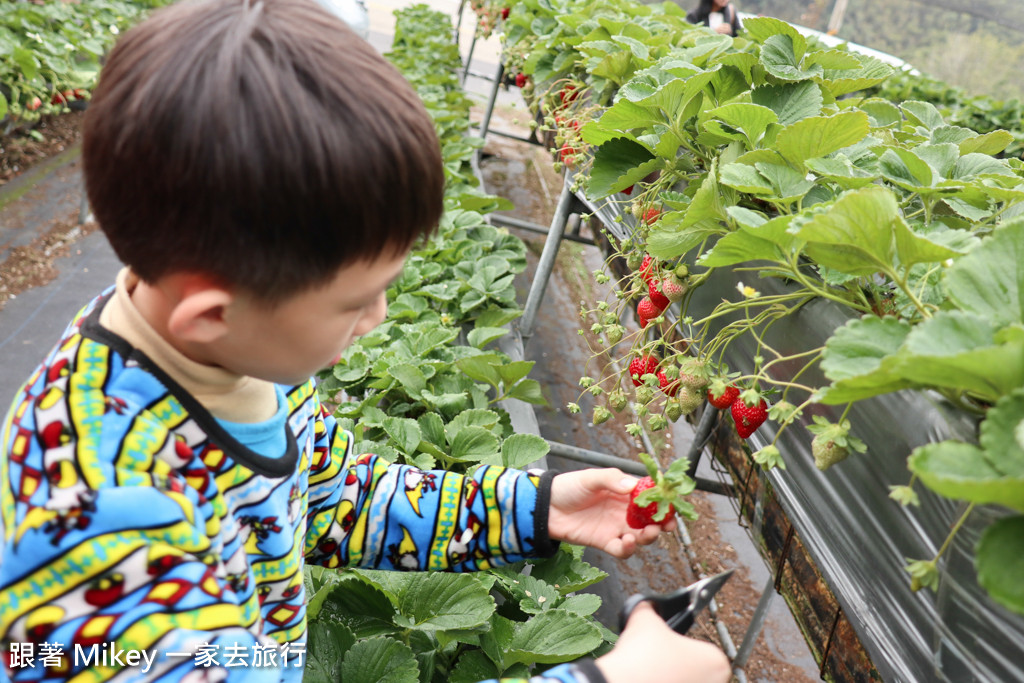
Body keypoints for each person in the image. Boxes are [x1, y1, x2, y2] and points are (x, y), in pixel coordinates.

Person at [0, 2, 732, 683]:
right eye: (353, 301)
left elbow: (335, 496)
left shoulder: (234, 356)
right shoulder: (104, 523)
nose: (378, 317)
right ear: (211, 313)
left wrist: (531, 509)